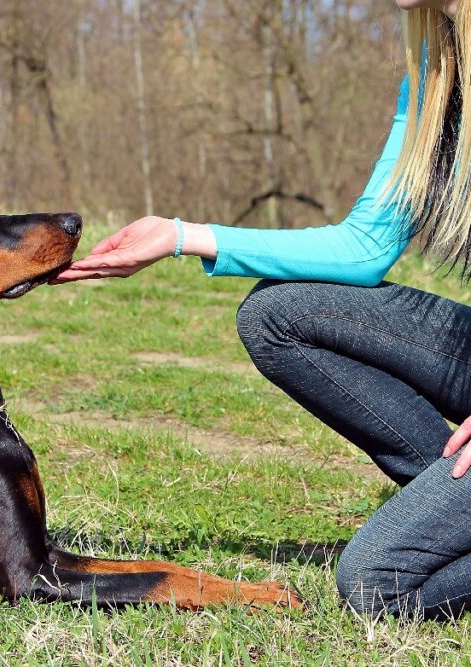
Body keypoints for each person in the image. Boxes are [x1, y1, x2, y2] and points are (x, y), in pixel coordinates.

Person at [53, 0, 471, 620]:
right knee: (276, 314)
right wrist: (178, 235)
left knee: (375, 584)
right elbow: (364, 248)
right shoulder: (437, 70)